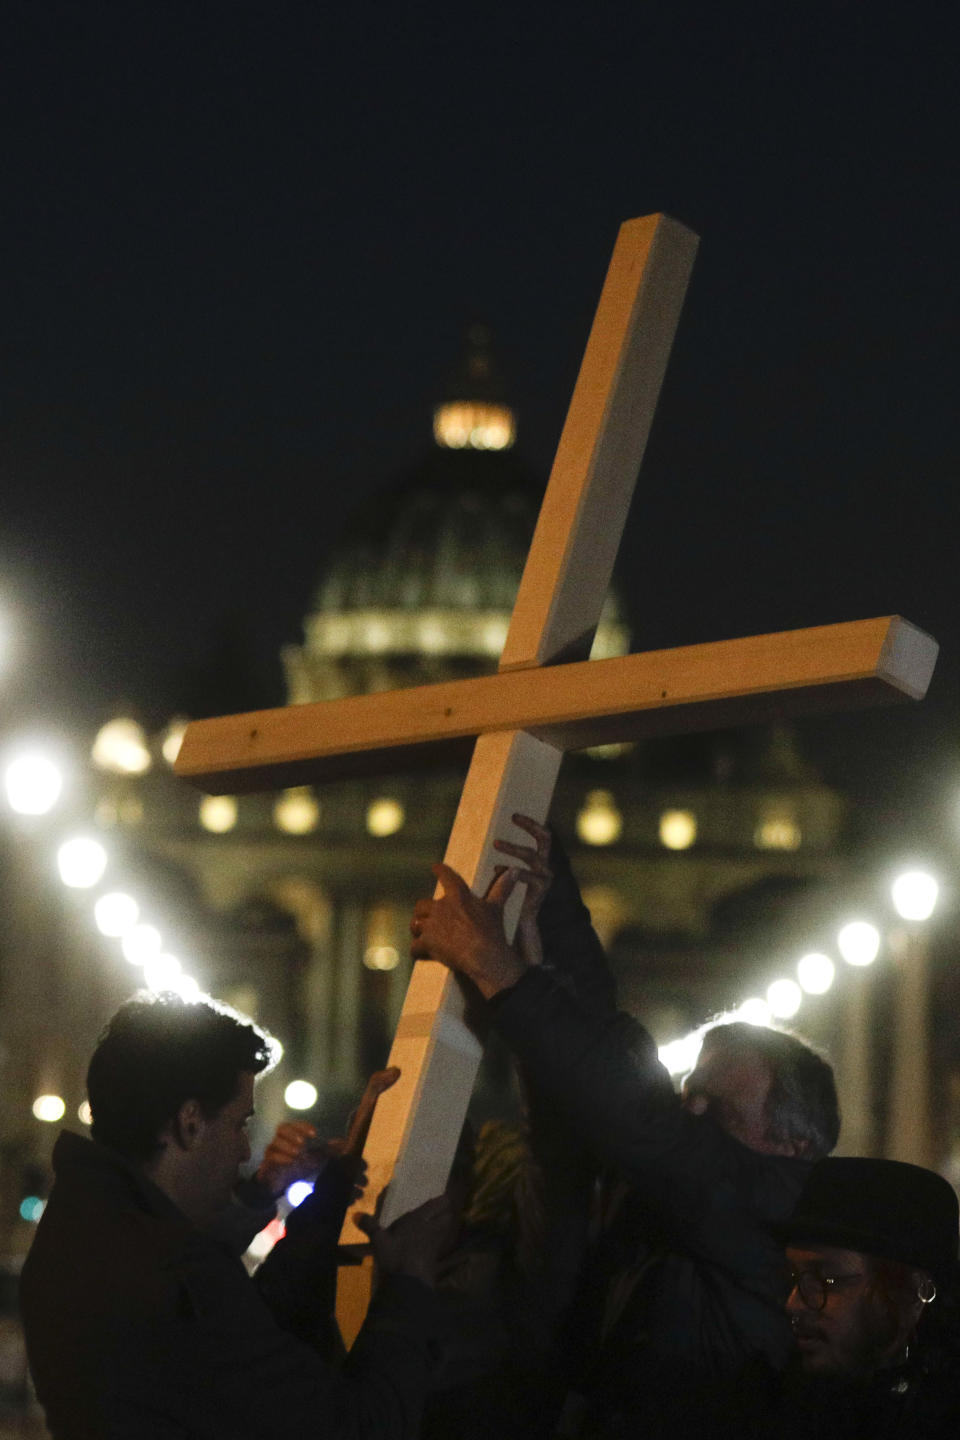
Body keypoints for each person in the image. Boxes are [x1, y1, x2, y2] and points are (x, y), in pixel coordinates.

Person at [410, 816, 840, 1437]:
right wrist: (550, 909)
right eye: (687, 1096)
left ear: (793, 1146)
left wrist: (500, 971)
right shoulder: (668, 1214)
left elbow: (638, 1116)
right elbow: (605, 1088)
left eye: (714, 1107)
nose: (687, 1112)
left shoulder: (779, 1209)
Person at [20, 992, 451, 1439]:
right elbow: (356, 1427)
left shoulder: (79, 1232)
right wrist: (409, 1285)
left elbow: (250, 1350)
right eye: (239, 1123)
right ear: (190, 1123)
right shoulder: (178, 1279)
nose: (246, 1149)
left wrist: (330, 1191)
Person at [715, 1156, 960, 1437]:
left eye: (827, 1281)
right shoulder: (768, 1397)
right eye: (794, 1278)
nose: (793, 1304)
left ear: (913, 1293)